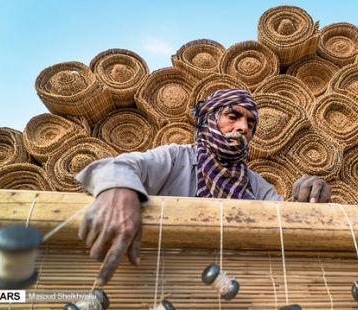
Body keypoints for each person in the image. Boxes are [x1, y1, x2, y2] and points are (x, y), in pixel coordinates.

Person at [75, 89, 331, 285]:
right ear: (210, 118)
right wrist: (121, 191)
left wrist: (310, 197)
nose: (243, 127)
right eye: (233, 116)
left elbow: (285, 223)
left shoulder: (255, 184)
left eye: (250, 124)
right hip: (163, 282)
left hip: (229, 288)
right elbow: (118, 167)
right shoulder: (176, 158)